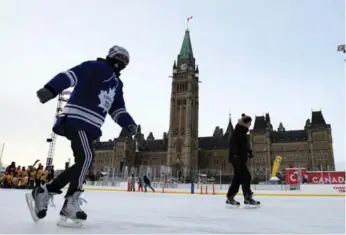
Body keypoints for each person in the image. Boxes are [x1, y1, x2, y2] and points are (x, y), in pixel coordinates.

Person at [25, 45, 138, 227]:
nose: (122, 62)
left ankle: (46, 191)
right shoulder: (95, 66)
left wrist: (129, 123)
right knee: (87, 157)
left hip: (91, 128)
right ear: (110, 56)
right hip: (76, 120)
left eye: (126, 61)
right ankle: (69, 202)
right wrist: (51, 89)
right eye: (119, 57)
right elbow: (71, 76)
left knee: (82, 162)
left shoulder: (118, 84)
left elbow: (117, 109)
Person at [226, 114, 260, 206]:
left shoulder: (243, 132)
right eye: (249, 123)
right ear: (245, 123)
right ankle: (247, 197)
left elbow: (244, 145)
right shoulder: (237, 131)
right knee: (246, 176)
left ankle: (230, 197)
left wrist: (249, 152)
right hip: (236, 158)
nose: (250, 125)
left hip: (239, 158)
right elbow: (232, 142)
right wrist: (236, 153)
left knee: (238, 178)